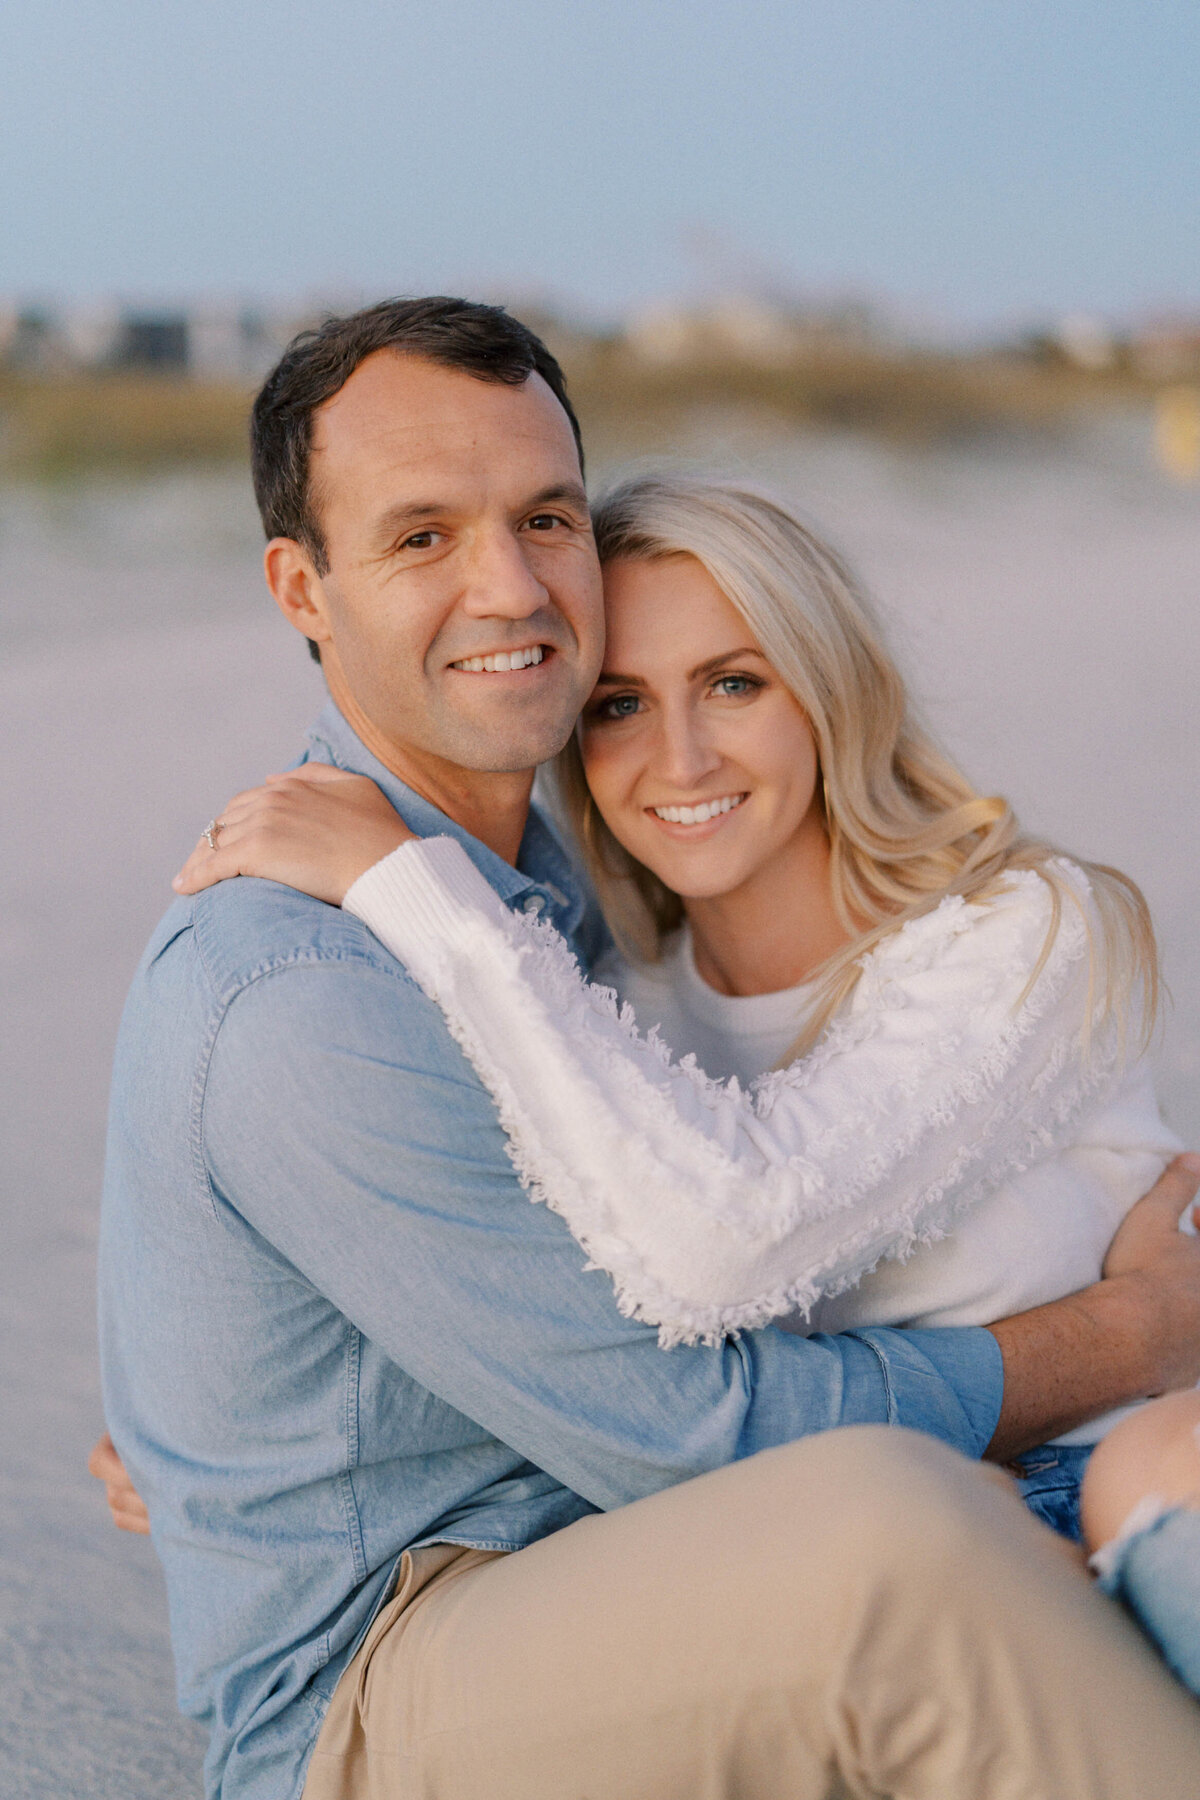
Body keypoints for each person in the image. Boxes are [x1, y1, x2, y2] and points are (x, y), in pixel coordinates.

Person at [95, 296, 1200, 1800]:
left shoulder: (561, 899)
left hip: (598, 1562)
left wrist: (198, 1444)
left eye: (544, 517)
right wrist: (1126, 1338)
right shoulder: (306, 979)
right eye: (421, 536)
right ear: (304, 586)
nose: (509, 585)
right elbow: (700, 1431)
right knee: (888, 1544)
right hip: (384, 1683)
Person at [169, 472, 1182, 1546]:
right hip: (874, 1540)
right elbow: (545, 1338)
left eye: (734, 684)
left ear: (829, 690)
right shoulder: (603, 1010)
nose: (682, 758)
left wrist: (414, 888)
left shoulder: (1020, 932)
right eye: (619, 705)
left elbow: (738, 1236)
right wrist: (233, 1445)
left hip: (1127, 1480)